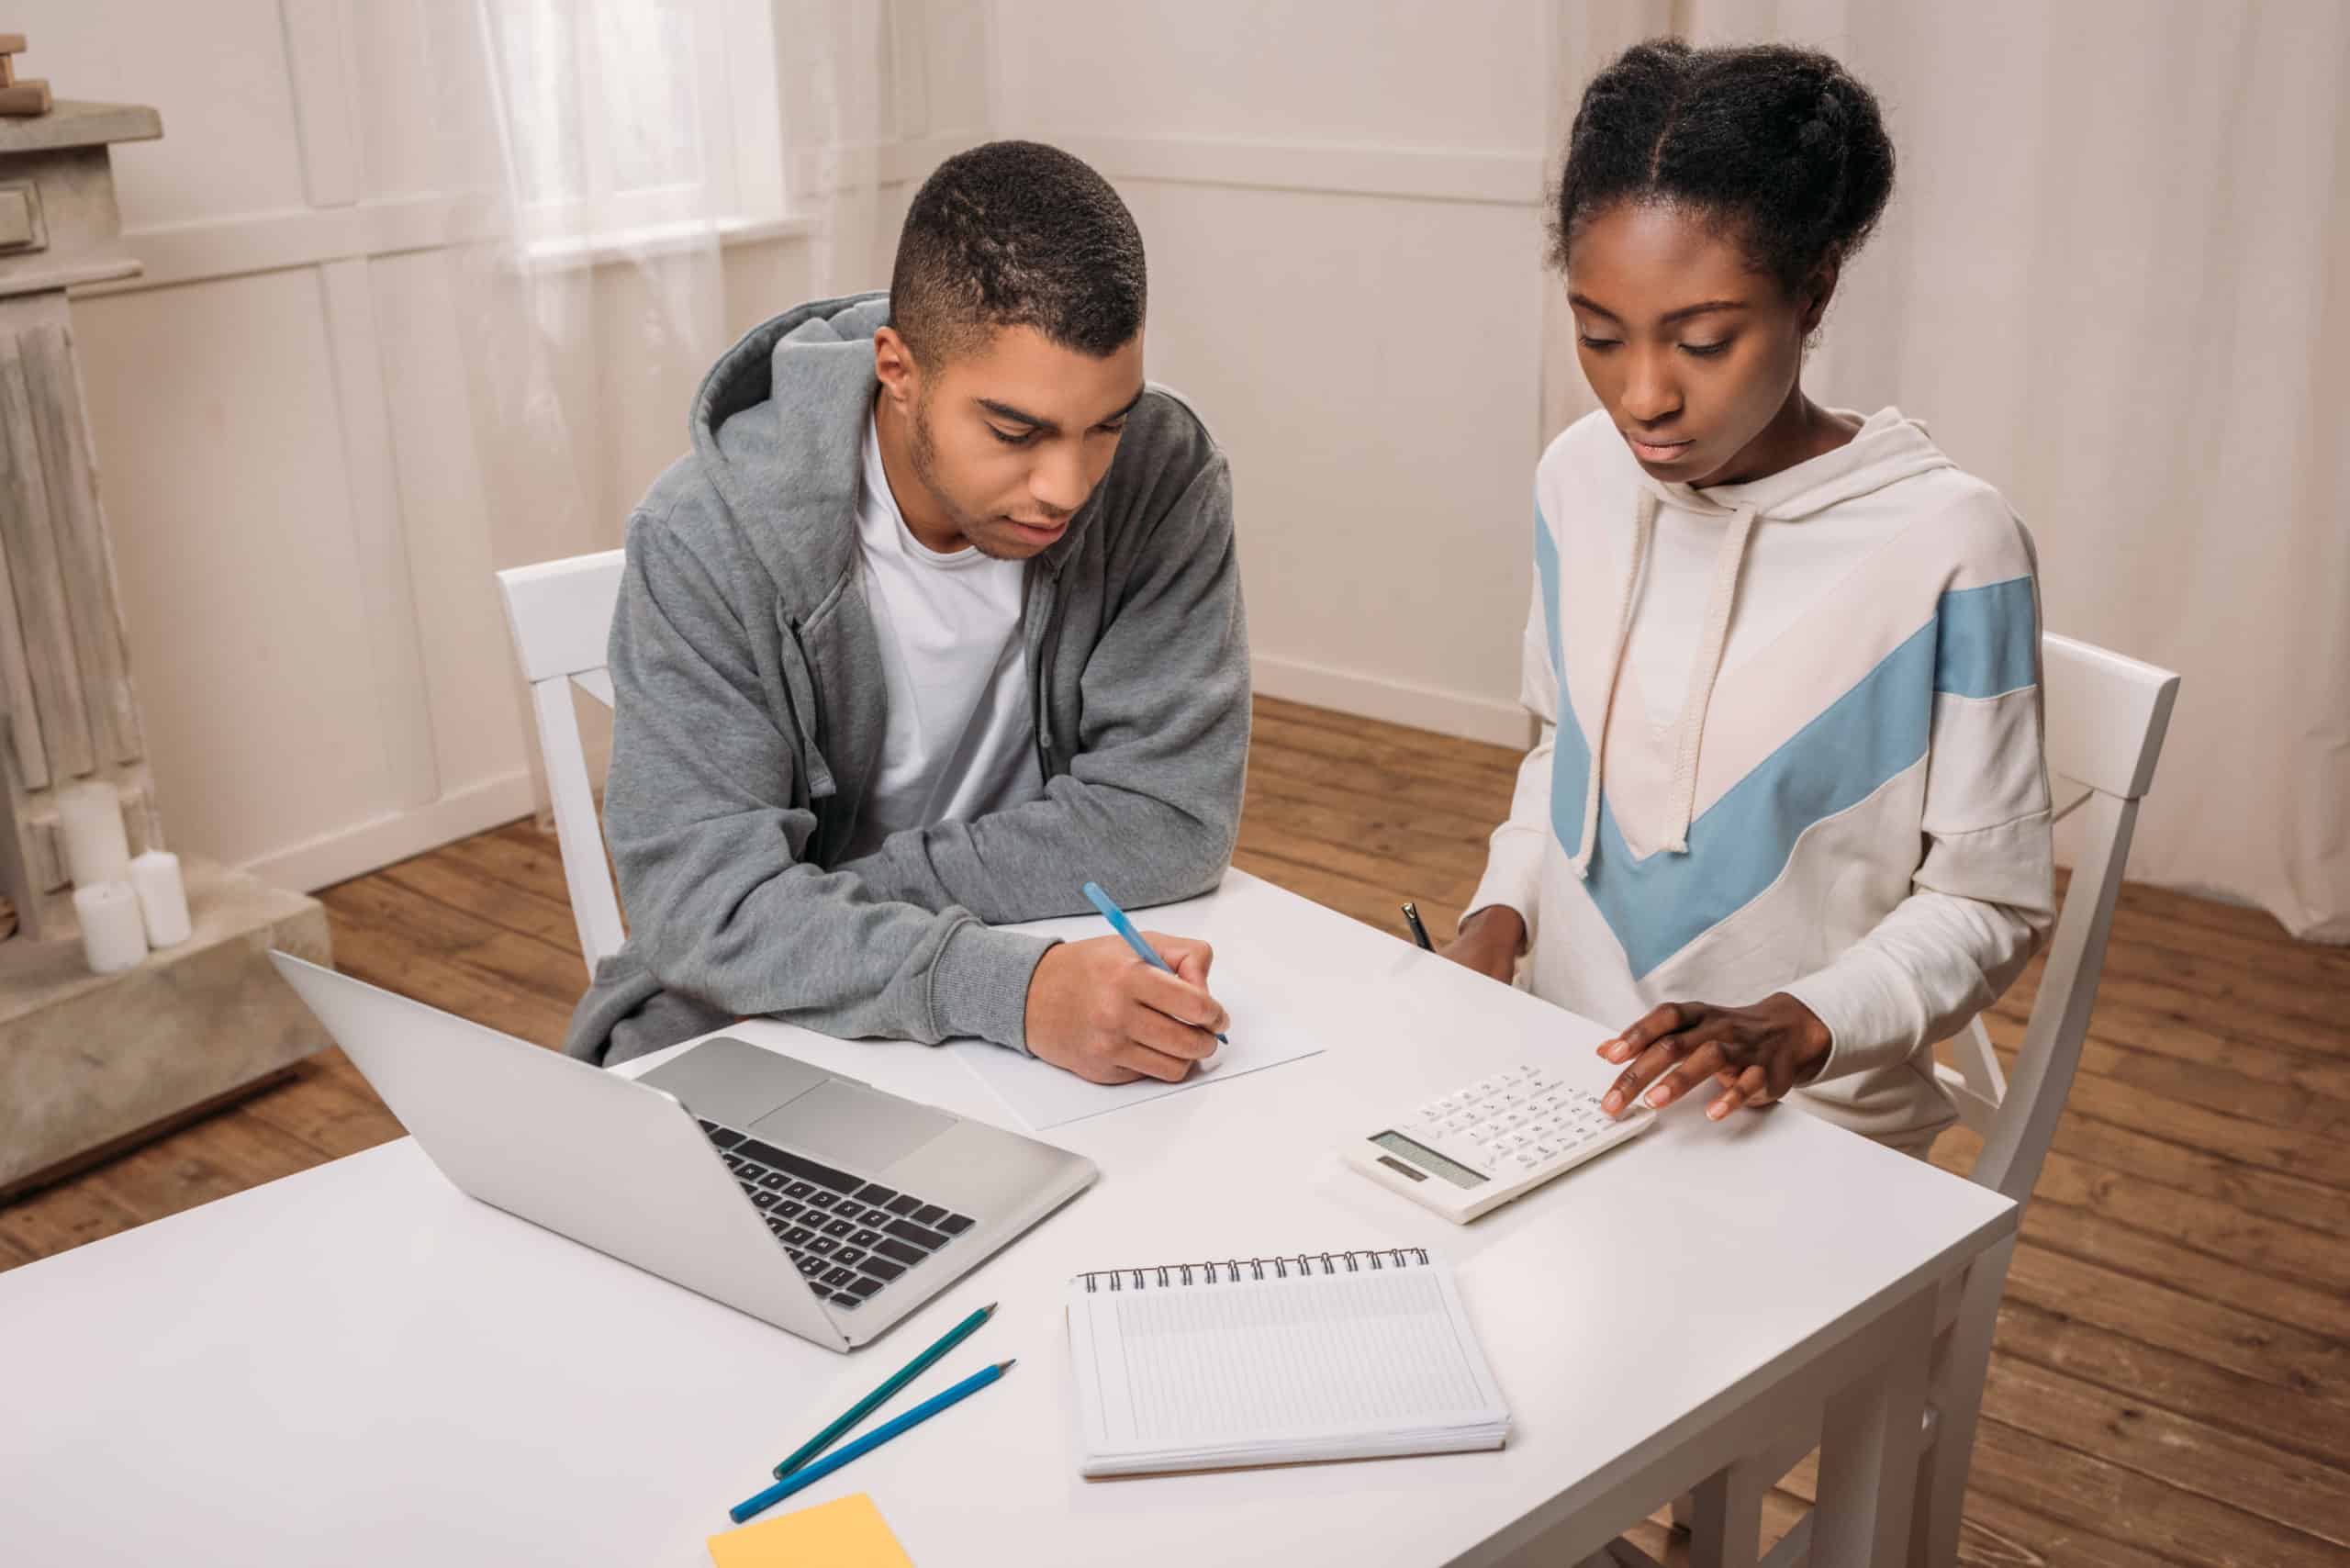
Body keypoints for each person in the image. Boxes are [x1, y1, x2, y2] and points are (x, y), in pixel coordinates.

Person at [1442, 39, 2055, 1156]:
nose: (1643, 395)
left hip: (1805, 1130)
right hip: (1552, 1084)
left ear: (1813, 288)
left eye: (1704, 341)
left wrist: (1803, 1022)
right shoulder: (1577, 477)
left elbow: (1991, 903)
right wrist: (1501, 909)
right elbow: (1559, 759)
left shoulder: (1950, 549)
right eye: (1597, 334)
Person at [565, 141, 1248, 1083]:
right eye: (1015, 431)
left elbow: (1168, 818)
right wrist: (1005, 987)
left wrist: (821, 906)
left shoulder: (1161, 472)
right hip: (780, 1020)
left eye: (1106, 424)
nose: (1067, 486)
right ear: (897, 368)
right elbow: (700, 910)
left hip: (1020, 978)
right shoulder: (703, 536)